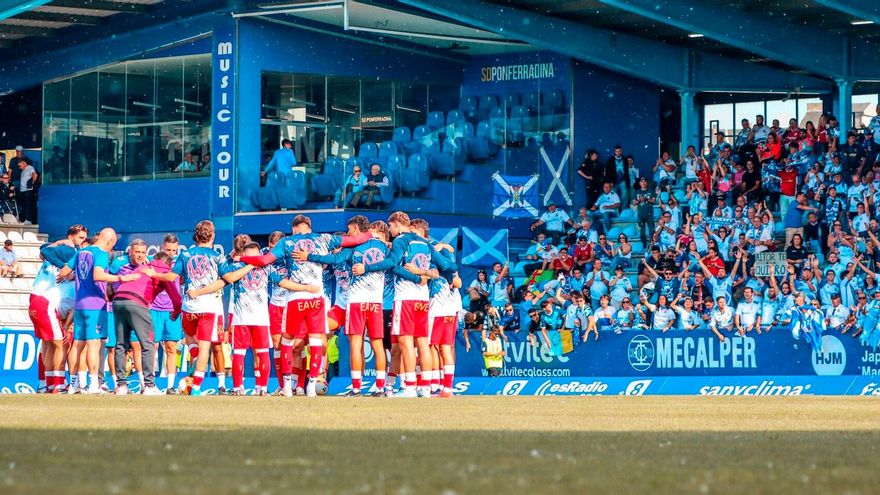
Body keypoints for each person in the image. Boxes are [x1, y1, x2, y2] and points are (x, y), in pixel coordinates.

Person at [241, 214, 374, 397]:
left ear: (294, 228)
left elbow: (263, 261)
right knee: (316, 342)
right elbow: (358, 238)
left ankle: (288, 386)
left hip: (296, 298)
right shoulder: (323, 238)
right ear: (309, 228)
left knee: (287, 342)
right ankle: (312, 385)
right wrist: (371, 235)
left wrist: (241, 259)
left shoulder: (287, 242)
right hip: (316, 298)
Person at [353, 211, 457, 398]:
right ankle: (425, 388)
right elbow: (449, 267)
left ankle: (409, 387)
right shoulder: (424, 243)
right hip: (423, 301)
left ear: (397, 224)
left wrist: (366, 267)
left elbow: (392, 263)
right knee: (423, 343)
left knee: (406, 343)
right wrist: (425, 273)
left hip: (406, 298)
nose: (390, 230)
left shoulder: (401, 240)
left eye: (391, 226)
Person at [57, 228, 140, 394]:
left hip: (79, 304)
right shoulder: (101, 253)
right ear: (109, 241)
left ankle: (75, 384)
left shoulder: (82, 251)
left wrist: (75, 279)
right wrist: (122, 278)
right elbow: (98, 275)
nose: (111, 249)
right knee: (93, 345)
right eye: (113, 245)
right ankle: (94, 384)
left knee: (78, 345)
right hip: (95, 305)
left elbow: (64, 272)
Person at [111, 251, 183, 396]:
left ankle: (121, 386)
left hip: (118, 300)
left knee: (121, 344)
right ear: (168, 265)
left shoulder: (142, 267)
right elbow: (176, 299)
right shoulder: (164, 272)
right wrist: (175, 313)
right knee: (148, 345)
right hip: (137, 301)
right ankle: (149, 386)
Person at [150, 234, 184, 394]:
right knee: (152, 348)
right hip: (154, 309)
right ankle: (150, 385)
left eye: (174, 250)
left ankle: (170, 386)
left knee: (171, 348)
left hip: (172, 310)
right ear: (162, 247)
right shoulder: (152, 261)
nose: (171, 253)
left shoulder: (180, 262)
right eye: (168, 249)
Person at [17, 157, 38, 224]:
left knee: (28, 205)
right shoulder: (23, 171)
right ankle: (24, 218)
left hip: (28, 191)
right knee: (24, 205)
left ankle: (29, 219)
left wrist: (31, 183)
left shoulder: (30, 168)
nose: (19, 167)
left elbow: (35, 175)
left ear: (24, 163)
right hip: (23, 191)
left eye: (20, 165)